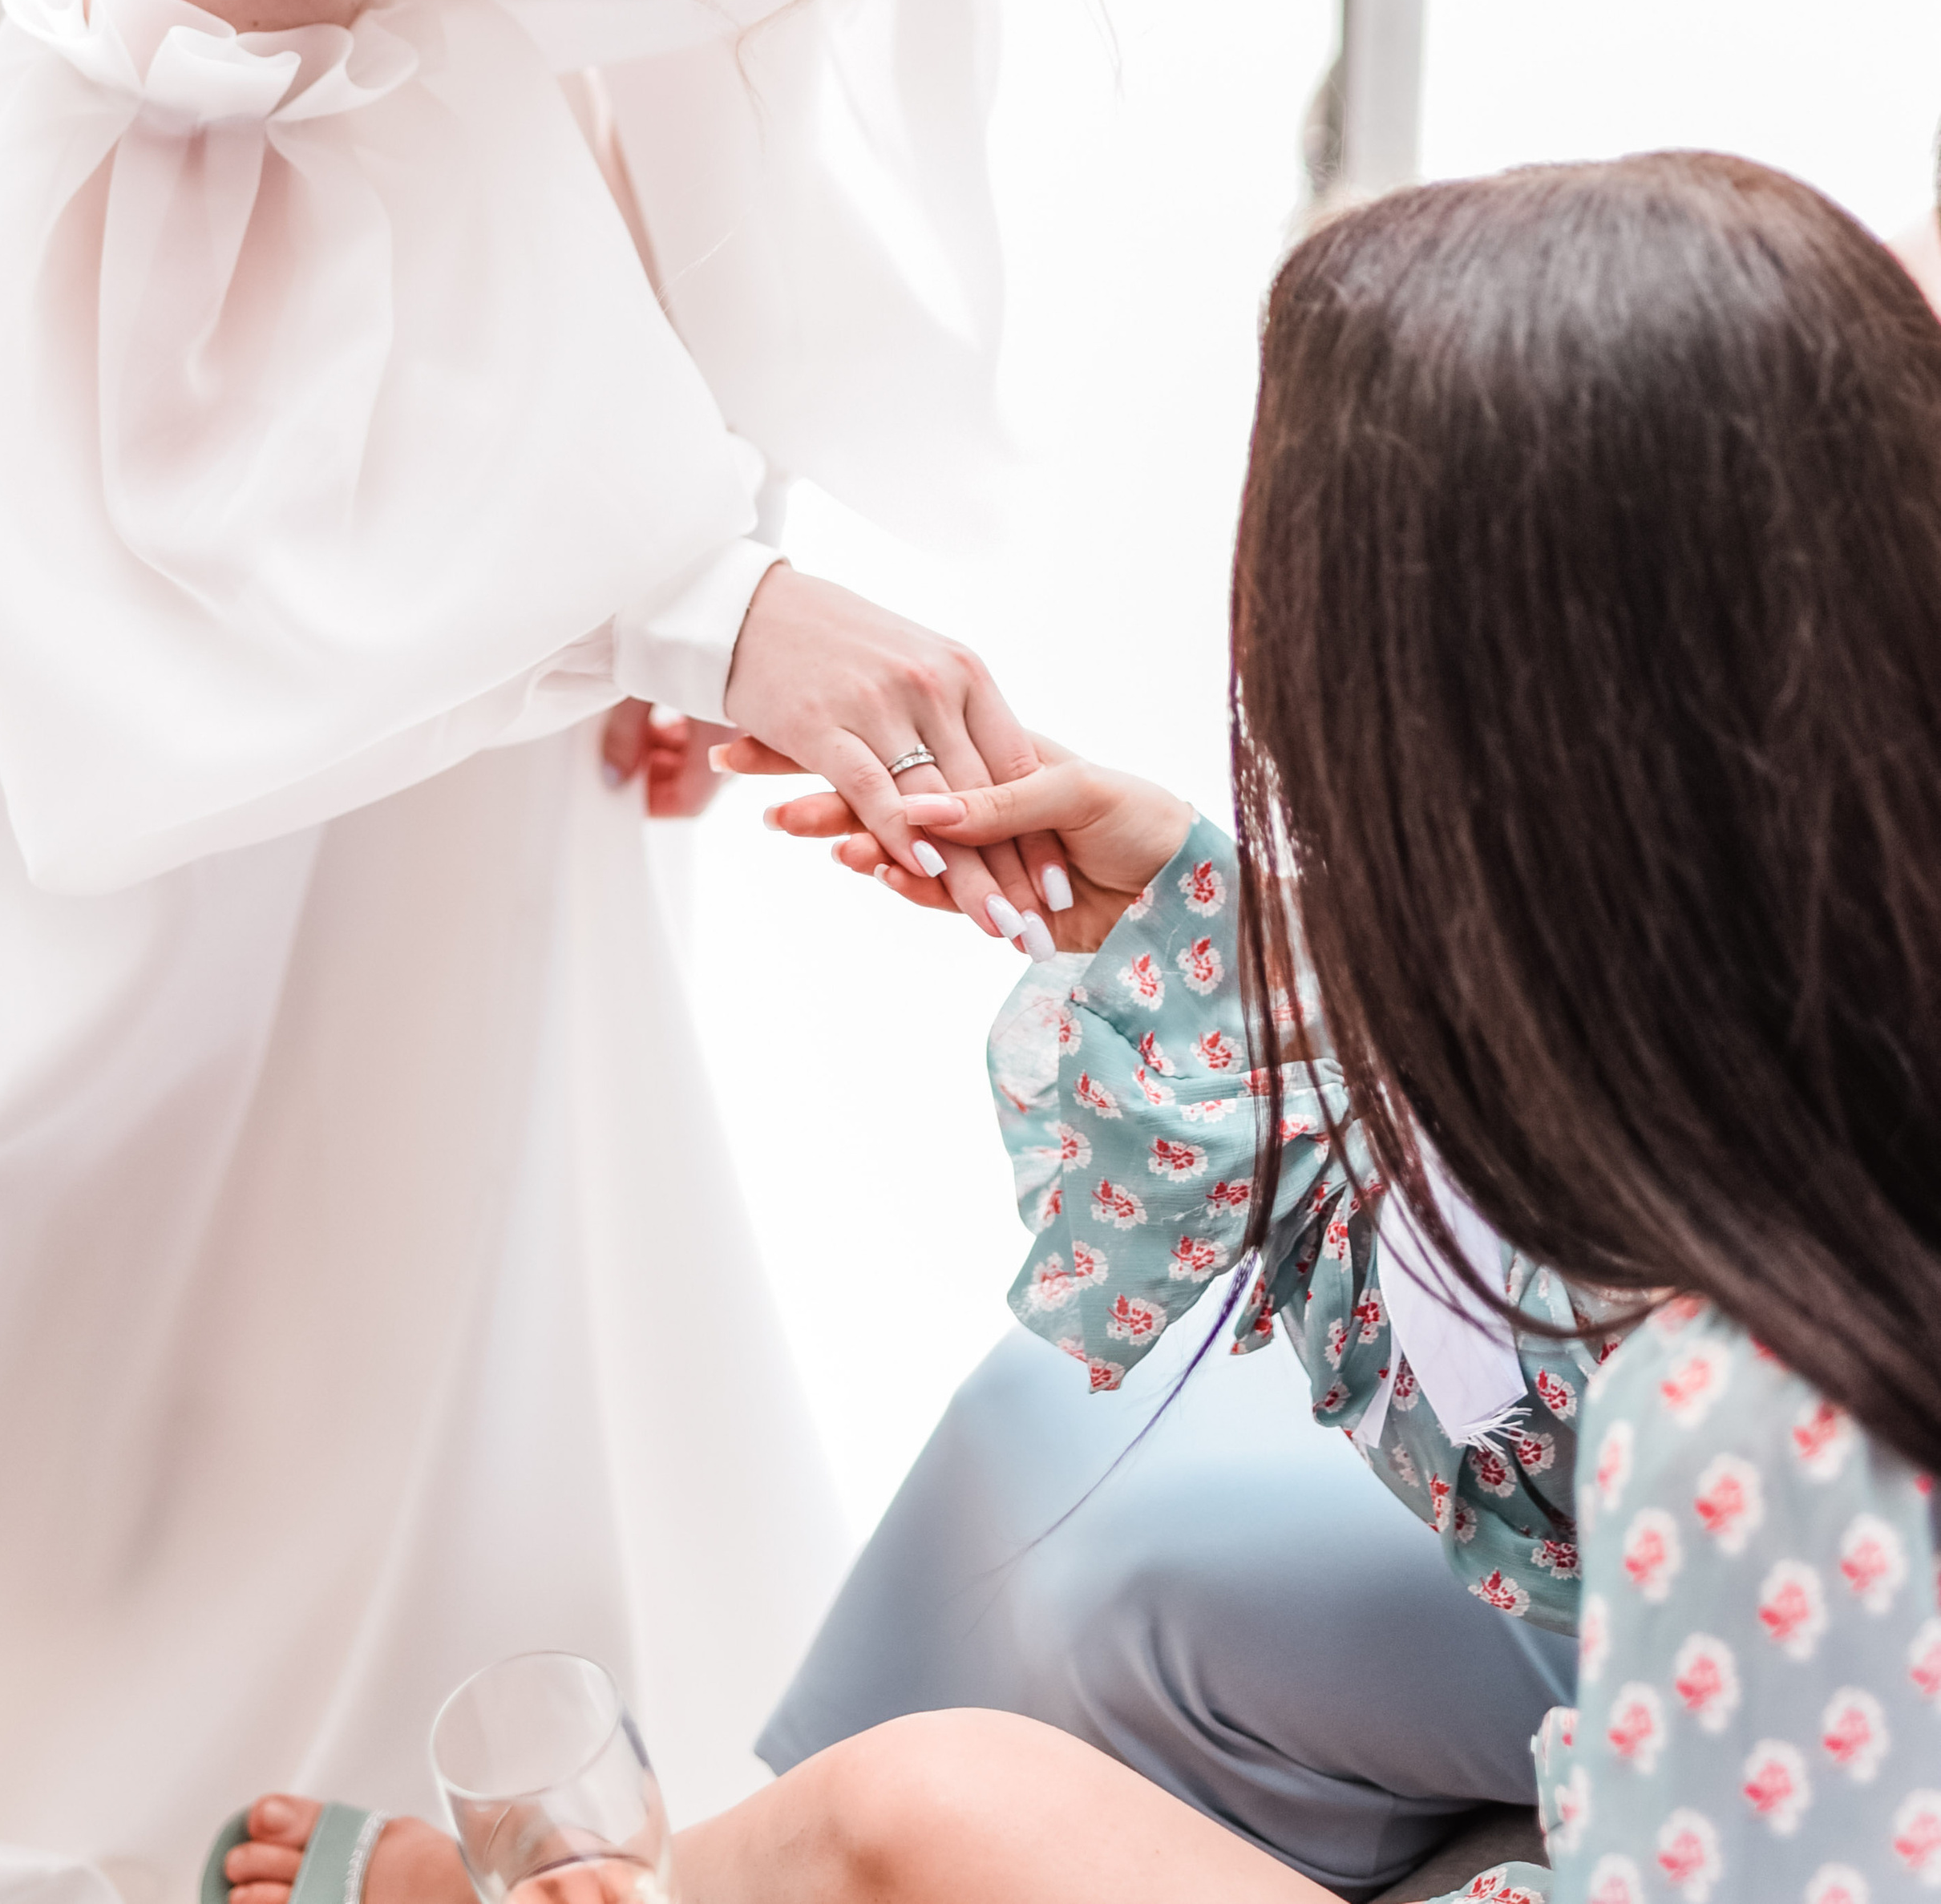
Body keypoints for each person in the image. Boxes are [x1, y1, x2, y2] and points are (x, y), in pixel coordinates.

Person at [0, 0, 1397, 1900]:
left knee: (483, 924)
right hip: (70, 309)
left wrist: (684, 593)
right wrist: (679, 582)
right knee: (83, 998)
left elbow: (634, 108)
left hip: (437, 348)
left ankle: (408, 1739)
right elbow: (162, 355)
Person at [226, 148, 1941, 1903]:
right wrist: (1230, 938)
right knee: (1029, 1494)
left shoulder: (1744, 1421)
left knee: (923, 1809)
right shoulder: (1823, 1049)